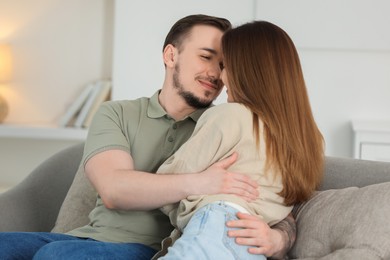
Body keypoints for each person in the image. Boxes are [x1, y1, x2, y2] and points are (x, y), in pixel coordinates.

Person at [0, 15, 296, 260]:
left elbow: (268, 196)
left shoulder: (229, 124)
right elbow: (115, 190)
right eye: (206, 57)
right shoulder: (117, 113)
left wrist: (279, 239)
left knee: (56, 256)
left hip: (153, 249)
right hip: (87, 238)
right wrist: (200, 181)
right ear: (171, 55)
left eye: (223, 64)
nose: (217, 74)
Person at [155, 20, 324, 259]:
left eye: (225, 65)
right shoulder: (308, 140)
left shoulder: (231, 116)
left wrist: (201, 185)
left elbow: (167, 181)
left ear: (247, 70)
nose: (221, 76)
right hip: (253, 242)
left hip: (215, 226)